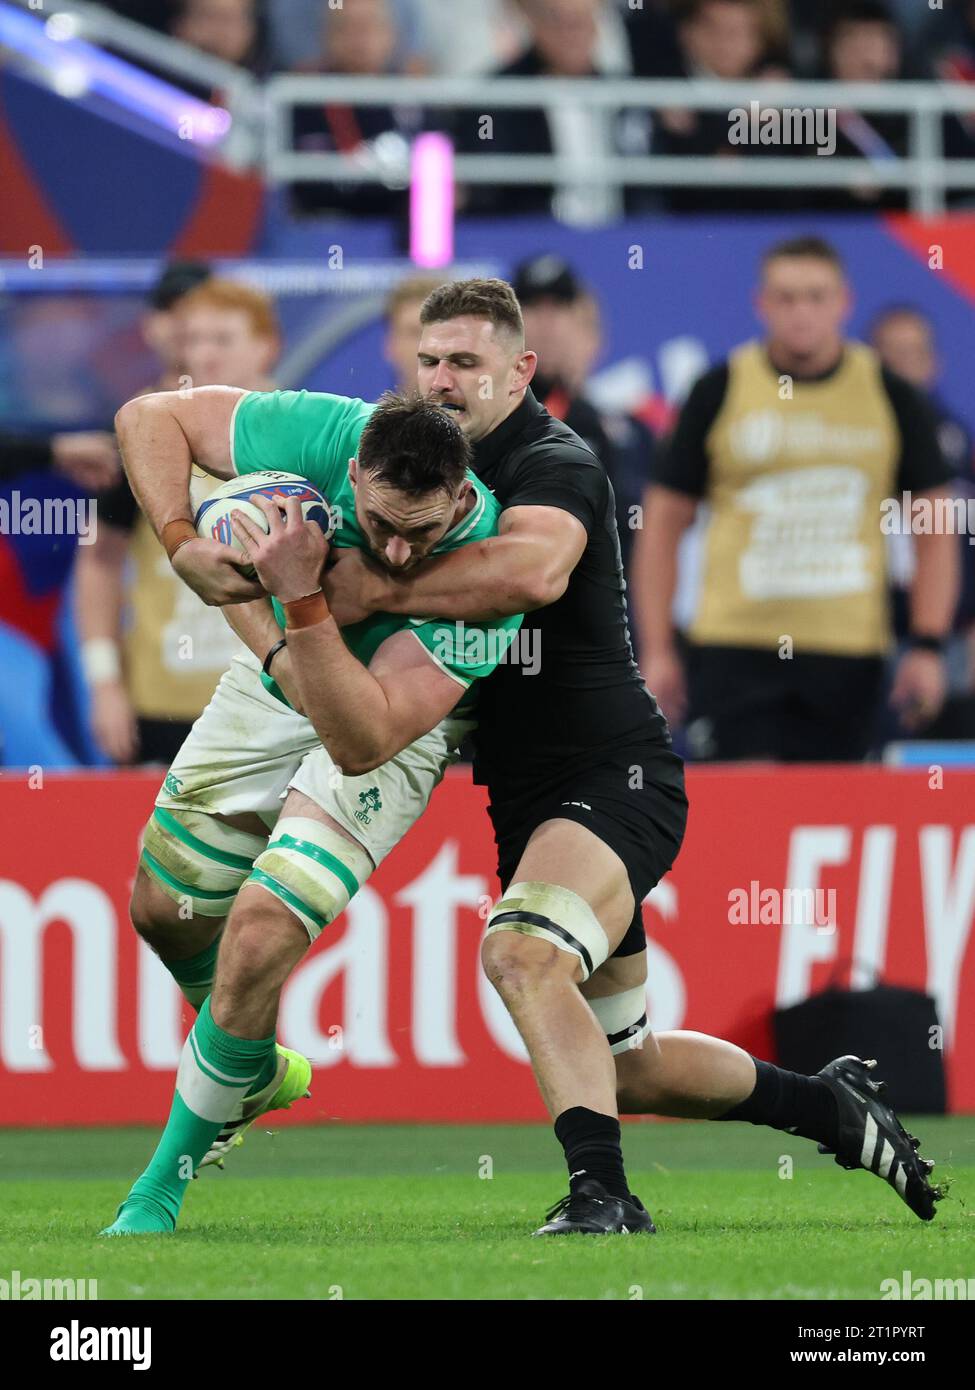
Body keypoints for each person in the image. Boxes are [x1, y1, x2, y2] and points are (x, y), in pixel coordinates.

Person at [320, 278, 942, 1233]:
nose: (442, 381)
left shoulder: (552, 459)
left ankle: (601, 1196)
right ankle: (828, 1106)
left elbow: (530, 571)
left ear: (521, 370)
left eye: (466, 363)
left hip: (615, 774)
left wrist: (362, 587)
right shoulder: (405, 462)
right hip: (526, 795)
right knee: (624, 1061)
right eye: (429, 360)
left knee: (521, 954)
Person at [98, 389, 522, 1234]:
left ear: (461, 494)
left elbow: (363, 737)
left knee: (259, 930)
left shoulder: (485, 572)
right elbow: (148, 417)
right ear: (354, 469)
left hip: (389, 725)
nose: (400, 551)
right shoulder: (329, 429)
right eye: (381, 522)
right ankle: (246, 1066)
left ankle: (157, 1191)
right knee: (163, 909)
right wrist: (182, 543)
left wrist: (293, 599)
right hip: (277, 678)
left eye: (423, 531)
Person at [633, 237, 959, 763]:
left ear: (843, 302)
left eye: (815, 296)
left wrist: (927, 645)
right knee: (745, 817)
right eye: (785, 298)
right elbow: (663, 525)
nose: (801, 311)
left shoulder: (891, 395)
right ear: (761, 304)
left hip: (850, 655)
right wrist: (657, 649)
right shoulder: (718, 390)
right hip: (734, 649)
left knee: (837, 821)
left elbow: (935, 529)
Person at [75, 276, 279, 766]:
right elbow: (98, 562)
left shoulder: (313, 436)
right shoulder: (144, 431)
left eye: (222, 340)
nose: (203, 356)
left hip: (278, 701)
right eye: (192, 340)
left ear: (267, 346)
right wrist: (103, 683)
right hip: (164, 706)